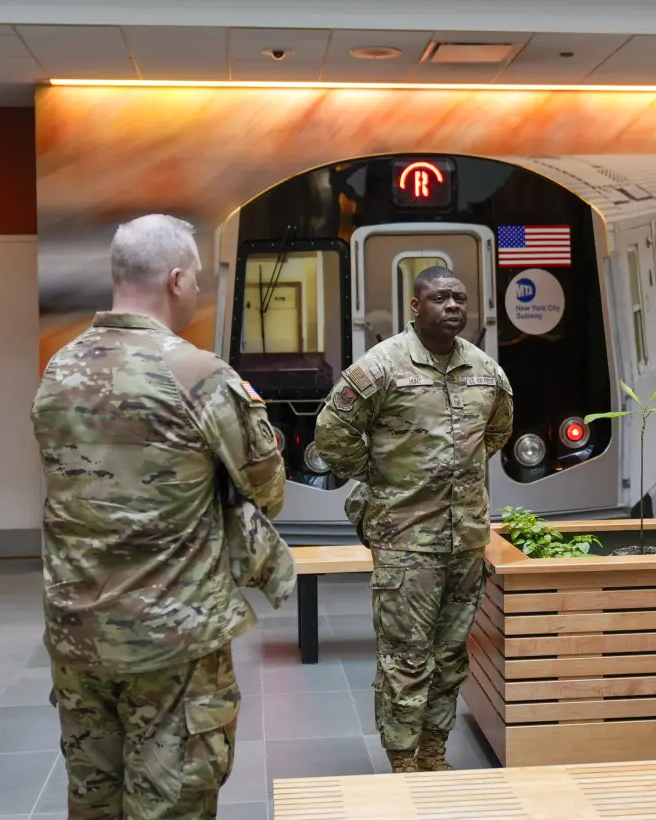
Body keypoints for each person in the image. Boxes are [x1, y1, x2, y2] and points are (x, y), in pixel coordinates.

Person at [30, 214, 291, 820]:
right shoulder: (197, 375)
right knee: (171, 804)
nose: (197, 288)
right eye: (196, 277)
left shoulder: (59, 370)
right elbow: (267, 489)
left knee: (93, 801)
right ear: (175, 279)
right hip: (171, 642)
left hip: (78, 634)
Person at [314, 265, 514, 773]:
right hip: (405, 540)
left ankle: (433, 753)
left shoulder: (487, 372)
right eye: (440, 298)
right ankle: (402, 758)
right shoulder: (382, 367)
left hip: (465, 540)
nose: (452, 307)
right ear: (414, 306)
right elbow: (332, 434)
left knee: (449, 658)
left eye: (460, 299)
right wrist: (384, 478)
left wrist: (455, 477)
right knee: (406, 658)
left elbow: (496, 435)